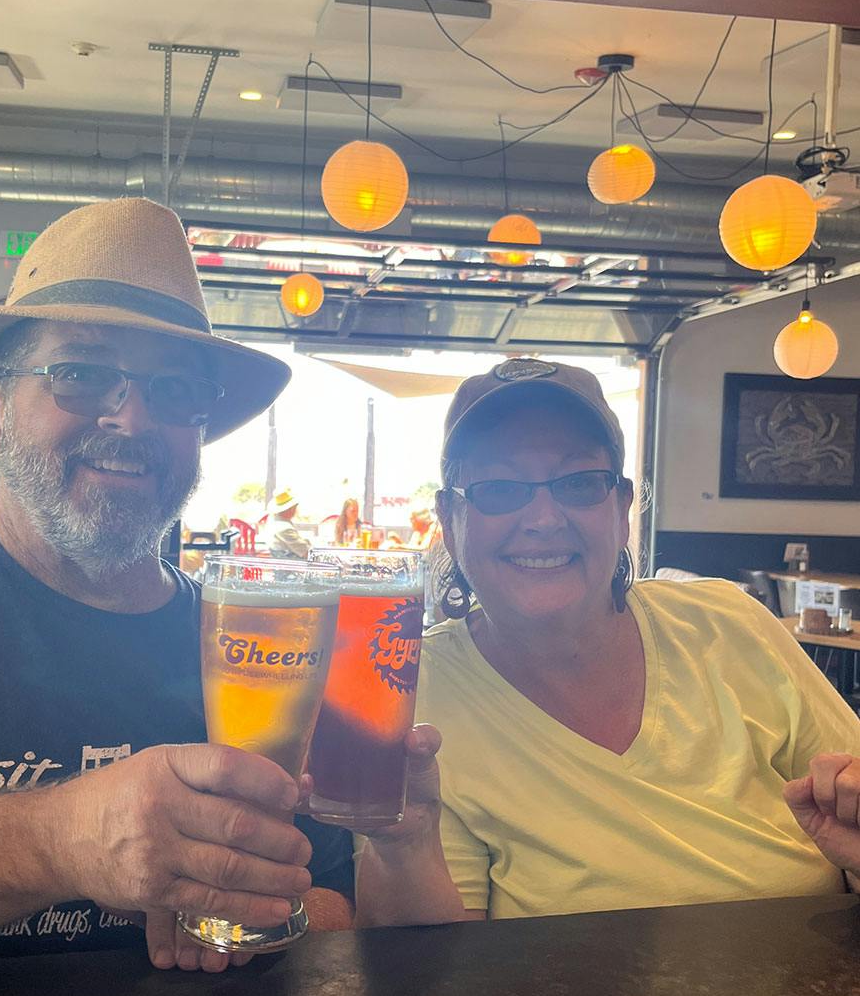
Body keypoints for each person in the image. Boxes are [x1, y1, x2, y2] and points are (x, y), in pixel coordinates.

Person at [0, 198, 353, 996]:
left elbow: (330, 897)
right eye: (81, 373)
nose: (132, 417)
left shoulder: (252, 646)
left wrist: (239, 910)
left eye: (175, 388)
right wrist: (61, 841)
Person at [353, 357, 860, 927]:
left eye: (578, 483)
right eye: (498, 489)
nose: (543, 518)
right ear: (450, 519)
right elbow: (429, 979)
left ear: (621, 509)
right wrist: (406, 849)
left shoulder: (730, 623)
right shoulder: (415, 694)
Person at [259, 488, 312, 559]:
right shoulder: (284, 528)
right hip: (291, 567)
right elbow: (306, 553)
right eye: (294, 507)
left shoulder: (274, 520)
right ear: (289, 509)